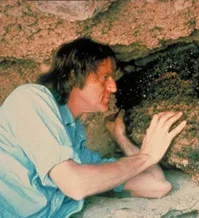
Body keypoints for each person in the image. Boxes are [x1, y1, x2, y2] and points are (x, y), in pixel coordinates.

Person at [0, 37, 187, 217]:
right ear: (74, 76)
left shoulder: (74, 142)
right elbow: (75, 185)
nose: (113, 87)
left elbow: (157, 185)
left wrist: (121, 139)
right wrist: (146, 156)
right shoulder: (30, 100)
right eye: (105, 76)